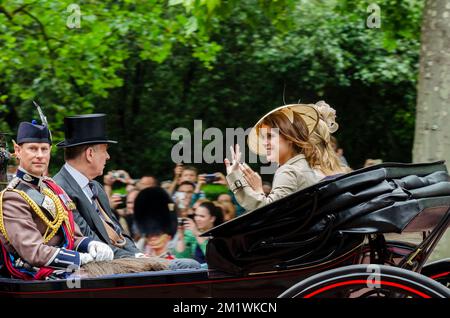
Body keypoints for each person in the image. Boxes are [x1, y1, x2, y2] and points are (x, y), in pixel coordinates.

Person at [0, 120, 113, 280]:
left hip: (61, 266)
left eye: (44, 149)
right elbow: (33, 252)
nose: (40, 155)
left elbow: (71, 235)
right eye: (33, 149)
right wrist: (79, 258)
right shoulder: (12, 197)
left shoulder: (51, 188)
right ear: (18, 151)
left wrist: (90, 245)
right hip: (33, 274)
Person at [53, 114, 142, 259]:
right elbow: (90, 239)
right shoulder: (58, 189)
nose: (108, 156)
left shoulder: (96, 187)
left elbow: (117, 230)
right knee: (187, 266)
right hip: (100, 267)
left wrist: (137, 253)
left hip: (121, 259)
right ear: (89, 154)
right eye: (105, 150)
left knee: (185, 266)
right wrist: (134, 259)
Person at [225, 104, 322, 211]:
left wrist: (235, 178)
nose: (265, 143)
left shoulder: (288, 170)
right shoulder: (306, 166)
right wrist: (259, 191)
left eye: (270, 136)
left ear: (290, 137)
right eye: (263, 138)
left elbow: (268, 212)